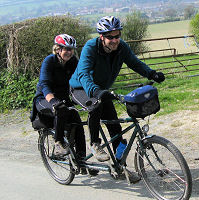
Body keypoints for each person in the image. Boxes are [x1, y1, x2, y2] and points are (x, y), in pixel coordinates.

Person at [69, 16, 165, 182]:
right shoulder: (91, 47)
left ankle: (120, 169)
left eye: (117, 36)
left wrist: (152, 74)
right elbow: (84, 74)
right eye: (110, 37)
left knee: (116, 129)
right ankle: (95, 144)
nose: (114, 40)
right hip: (80, 88)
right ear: (102, 37)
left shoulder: (122, 47)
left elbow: (135, 63)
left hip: (102, 90)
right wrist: (95, 91)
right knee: (95, 106)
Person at [33, 34, 87, 159]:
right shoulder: (49, 61)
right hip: (44, 98)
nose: (69, 52)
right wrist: (53, 101)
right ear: (58, 49)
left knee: (77, 123)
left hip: (62, 98)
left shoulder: (73, 62)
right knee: (60, 109)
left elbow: (80, 79)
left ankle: (82, 159)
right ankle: (58, 143)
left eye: (71, 49)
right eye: (66, 49)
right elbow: (44, 84)